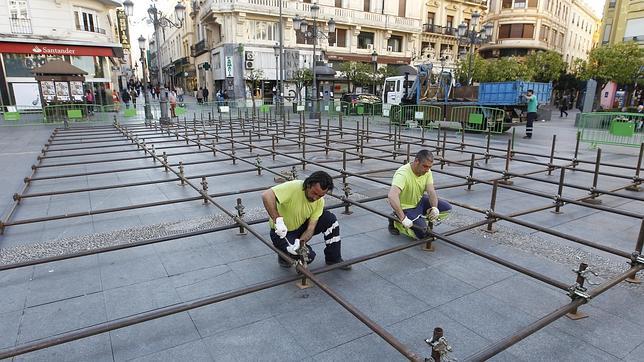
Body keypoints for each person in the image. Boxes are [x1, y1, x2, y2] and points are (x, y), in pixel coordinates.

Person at [261, 171, 351, 270]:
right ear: (308, 185)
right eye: (314, 193)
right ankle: (284, 255)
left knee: (330, 219)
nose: (315, 198)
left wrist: (299, 244)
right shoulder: (294, 187)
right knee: (309, 257)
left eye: (320, 196)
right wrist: (278, 220)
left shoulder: (319, 202)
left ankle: (333, 259)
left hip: (300, 227)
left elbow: (310, 228)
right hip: (281, 232)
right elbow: (267, 195)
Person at [387, 150, 451, 240]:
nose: (427, 170)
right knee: (422, 234)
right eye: (425, 166)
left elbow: (431, 191)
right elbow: (392, 195)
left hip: (419, 201)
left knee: (447, 208)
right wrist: (403, 218)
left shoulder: (427, 172)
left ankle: (420, 218)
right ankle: (396, 221)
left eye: (429, 167)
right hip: (406, 207)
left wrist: (434, 208)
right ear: (416, 161)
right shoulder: (402, 173)